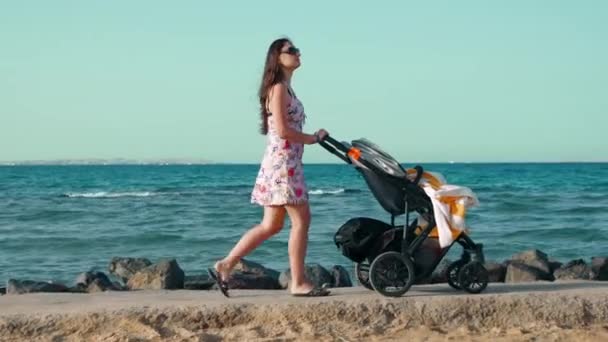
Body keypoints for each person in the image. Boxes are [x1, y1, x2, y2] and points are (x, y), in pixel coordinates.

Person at [208, 38, 330, 297]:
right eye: (291, 51)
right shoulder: (278, 89)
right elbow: (284, 130)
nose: (298, 54)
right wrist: (312, 138)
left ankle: (225, 264)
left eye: (297, 50)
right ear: (277, 57)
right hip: (284, 165)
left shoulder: (285, 88)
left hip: (284, 163)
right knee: (302, 221)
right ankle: (298, 282)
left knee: (272, 225)